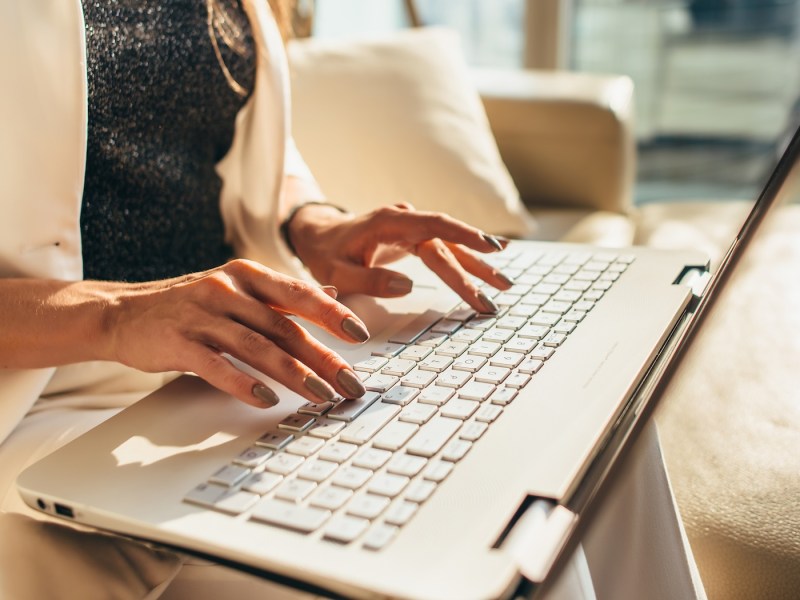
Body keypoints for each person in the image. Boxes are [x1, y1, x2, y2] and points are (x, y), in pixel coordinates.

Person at [0, 0, 706, 598]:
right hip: (51, 388)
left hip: (236, 344)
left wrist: (313, 224)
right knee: (476, 535)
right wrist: (120, 314)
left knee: (605, 434)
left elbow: (244, 150)